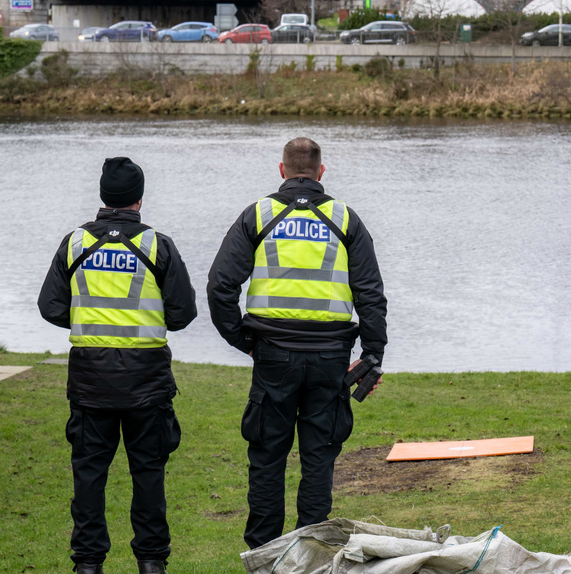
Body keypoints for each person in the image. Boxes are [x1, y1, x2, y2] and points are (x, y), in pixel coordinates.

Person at [206, 137, 388, 549]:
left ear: (282, 170)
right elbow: (371, 295)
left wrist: (243, 340)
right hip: (330, 357)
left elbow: (220, 287)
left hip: (272, 353)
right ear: (321, 173)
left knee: (267, 457)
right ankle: (312, 552)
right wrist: (372, 357)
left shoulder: (258, 215)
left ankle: (266, 555)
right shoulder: (345, 219)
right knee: (319, 457)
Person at [38, 157, 197, 574]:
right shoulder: (157, 245)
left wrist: (92, 320)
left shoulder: (74, 243)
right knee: (148, 474)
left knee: (89, 474)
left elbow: (50, 306)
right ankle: (151, 562)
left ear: (104, 197)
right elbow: (182, 313)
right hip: (147, 380)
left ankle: (88, 564)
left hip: (90, 379)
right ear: (139, 200)